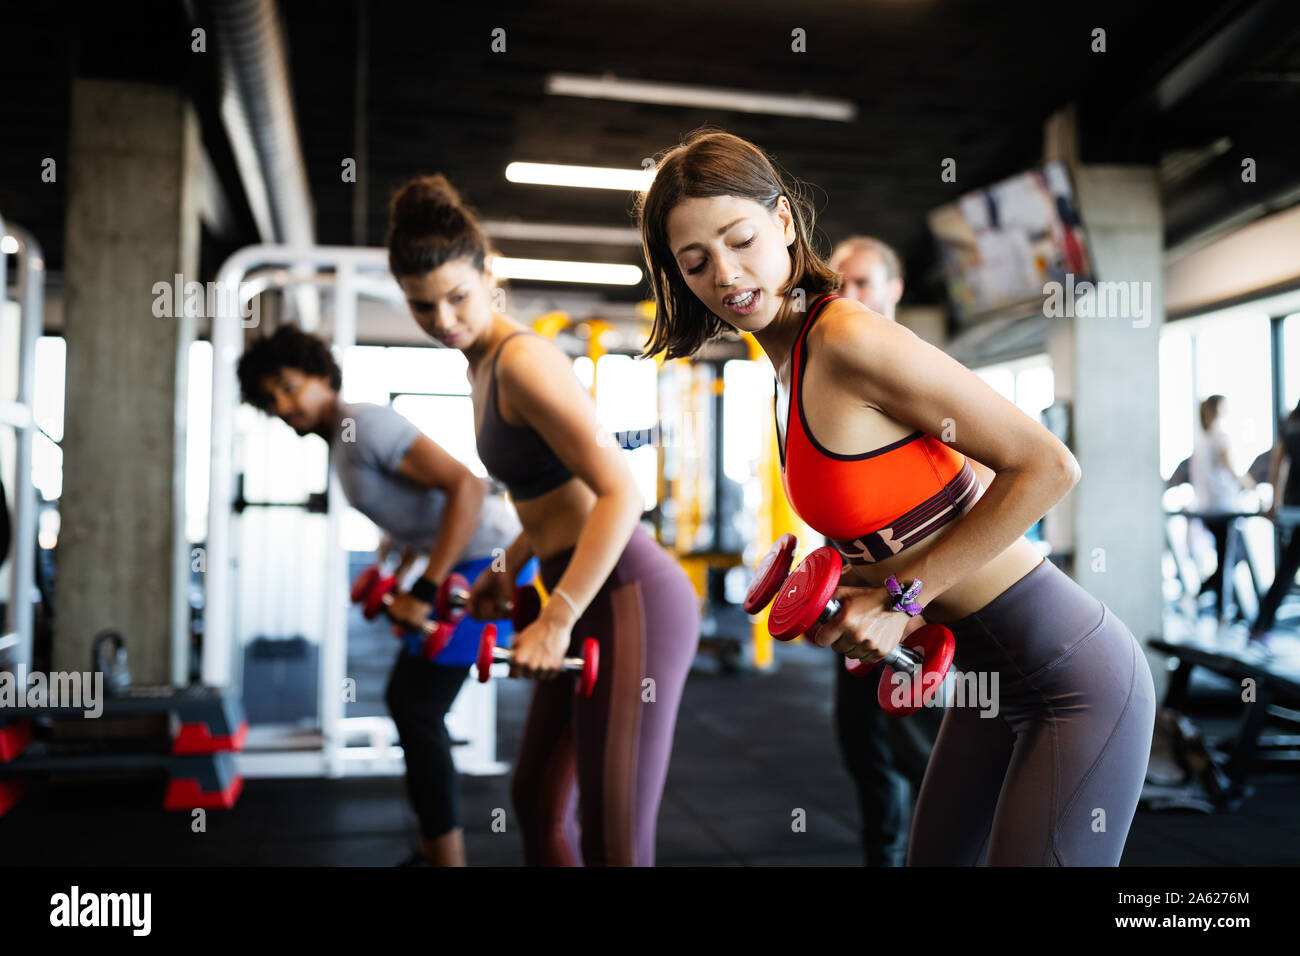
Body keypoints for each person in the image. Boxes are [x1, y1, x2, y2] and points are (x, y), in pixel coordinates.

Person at [635, 129, 1156, 865]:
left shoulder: (848, 338)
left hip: (1069, 680)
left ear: (784, 222)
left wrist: (901, 601)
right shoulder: (788, 367)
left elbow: (1046, 466)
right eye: (696, 262)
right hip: (983, 680)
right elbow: (894, 522)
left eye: (741, 239)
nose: (726, 273)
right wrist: (848, 590)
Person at [385, 174, 701, 866]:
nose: (443, 319)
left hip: (627, 594)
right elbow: (550, 497)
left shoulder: (522, 360)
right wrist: (509, 567)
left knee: (615, 838)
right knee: (533, 802)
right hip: (577, 585)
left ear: (488, 274)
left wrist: (556, 615)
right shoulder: (481, 366)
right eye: (422, 307)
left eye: (458, 297)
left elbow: (622, 491)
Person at [237, 325, 527, 867]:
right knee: (411, 704)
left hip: (492, 565)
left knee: (417, 707)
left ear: (322, 376)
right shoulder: (342, 441)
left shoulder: (362, 424)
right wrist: (386, 563)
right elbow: (418, 510)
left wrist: (423, 587)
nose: (282, 404)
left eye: (288, 386)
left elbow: (464, 486)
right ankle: (436, 849)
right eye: (269, 399)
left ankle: (446, 859)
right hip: (464, 560)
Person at [826, 235, 992, 865]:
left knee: (927, 765)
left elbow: (997, 479)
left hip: (924, 614)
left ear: (895, 290)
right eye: (839, 282)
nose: (849, 294)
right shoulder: (834, 377)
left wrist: (919, 595)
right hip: (857, 606)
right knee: (862, 753)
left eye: (864, 282)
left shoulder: (921, 373)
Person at [1190, 395, 1257, 621]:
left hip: (1206, 506)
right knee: (1227, 559)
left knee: (1230, 556)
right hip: (1223, 506)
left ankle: (1205, 593)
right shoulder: (1220, 438)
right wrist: (1252, 486)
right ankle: (1221, 610)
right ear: (1219, 407)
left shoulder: (1201, 439)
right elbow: (1232, 470)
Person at [1250, 399, 1300, 644]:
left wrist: (1274, 501)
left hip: (1293, 504)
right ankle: (1260, 625)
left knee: (1287, 570)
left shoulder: (1290, 424)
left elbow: (1278, 465)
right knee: (1287, 569)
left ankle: (1260, 626)